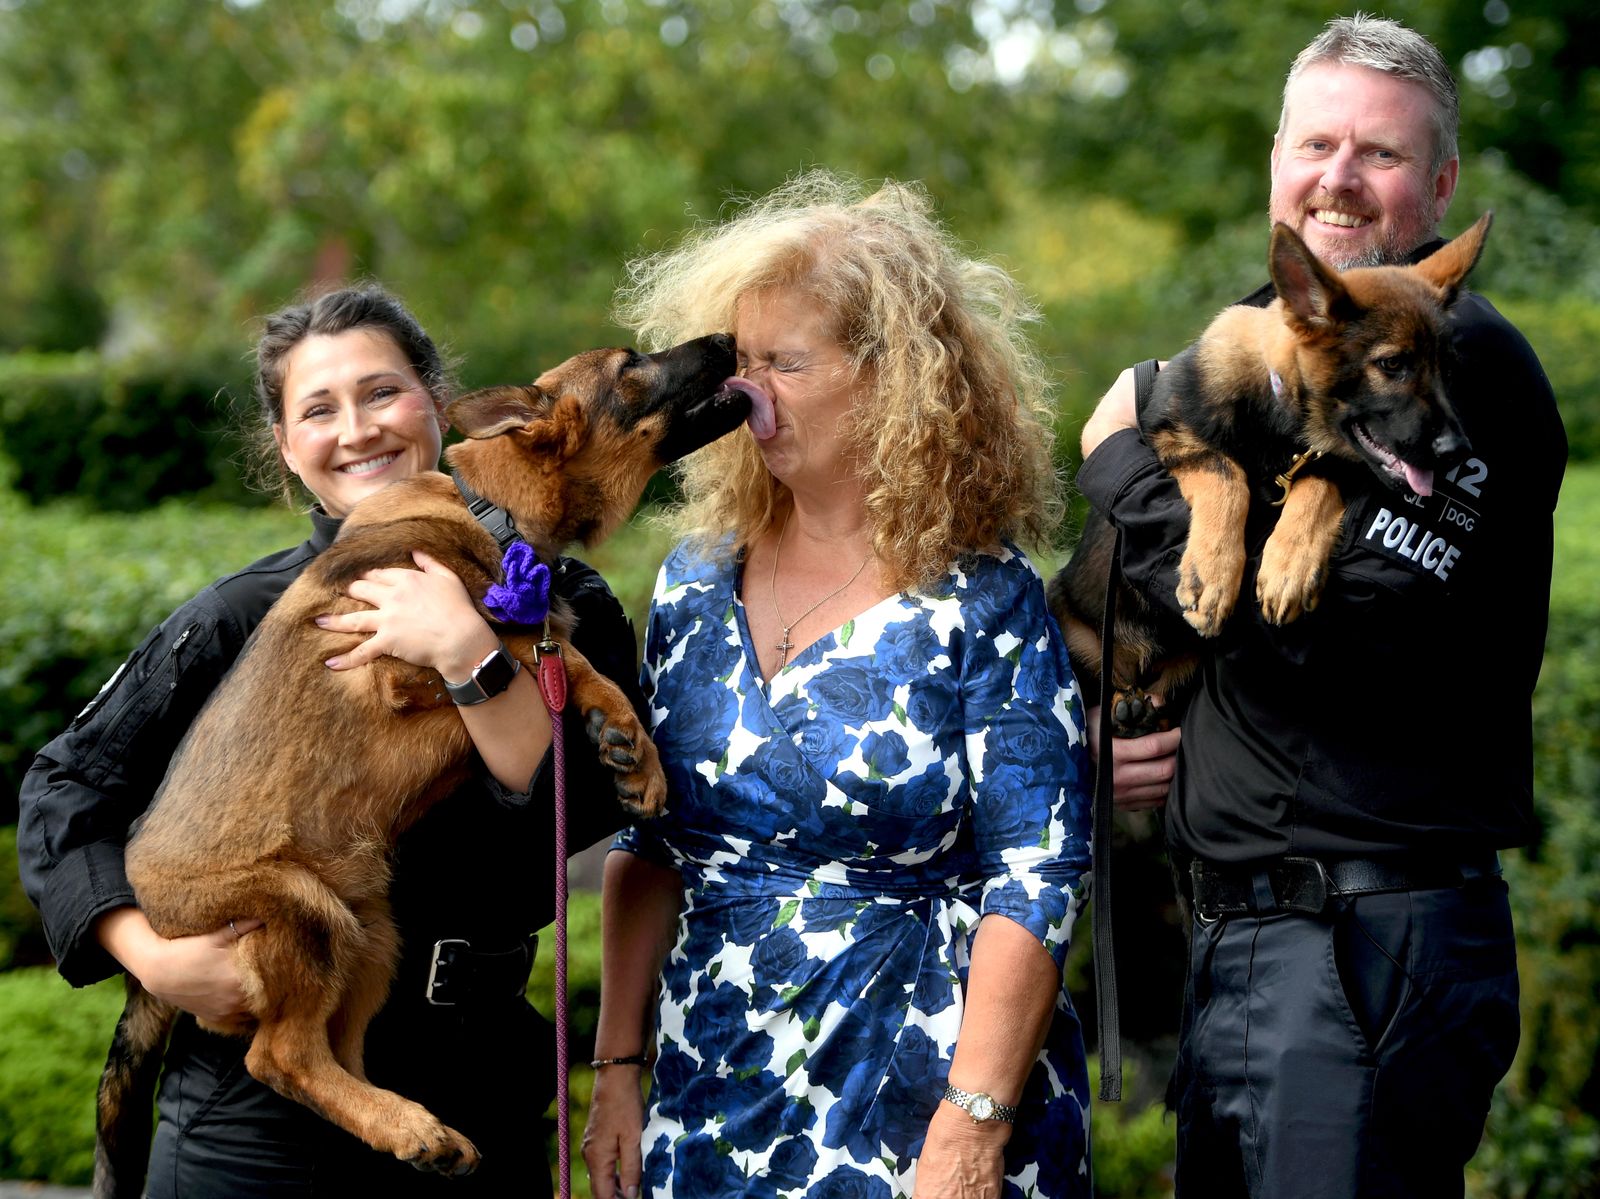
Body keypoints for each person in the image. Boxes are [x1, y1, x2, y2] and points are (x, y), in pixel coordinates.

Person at [1078, 15, 1567, 1198]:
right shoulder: (1278, 341)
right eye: (1316, 144)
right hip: (1244, 945)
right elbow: (1163, 606)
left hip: (1363, 944)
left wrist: (1114, 454)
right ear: (1275, 164)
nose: (1338, 177)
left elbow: (1344, 632)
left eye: (1381, 154)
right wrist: (1144, 728)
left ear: (1440, 184)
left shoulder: (1457, 363)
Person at [16, 285, 640, 1197]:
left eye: (382, 392)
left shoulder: (566, 603)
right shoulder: (244, 613)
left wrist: (469, 652)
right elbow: (65, 789)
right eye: (319, 408)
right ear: (286, 447)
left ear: (438, 402)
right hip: (251, 1126)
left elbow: (570, 814)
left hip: (475, 1081)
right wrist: (151, 955)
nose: (358, 429)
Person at [581, 172, 1094, 1199]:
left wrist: (972, 1120)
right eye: (742, 360)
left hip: (916, 1094)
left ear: (891, 377)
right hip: (710, 1085)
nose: (744, 391)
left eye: (786, 362)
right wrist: (615, 1070)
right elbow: (649, 845)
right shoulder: (692, 578)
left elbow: (1038, 876)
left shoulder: (983, 597)